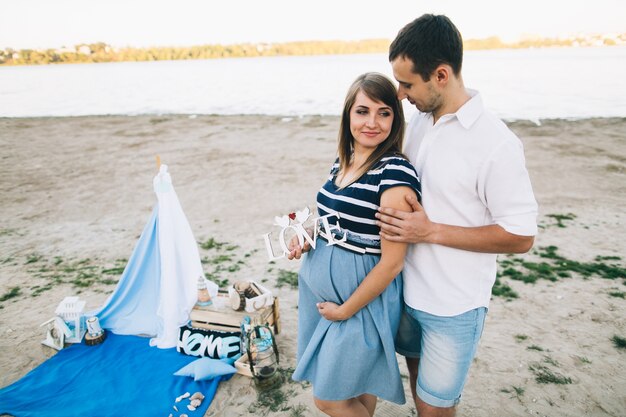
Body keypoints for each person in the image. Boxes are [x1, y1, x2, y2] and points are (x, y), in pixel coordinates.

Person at [375, 14, 539, 417]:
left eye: (408, 83)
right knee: (419, 392)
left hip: (453, 308)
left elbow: (521, 236)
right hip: (404, 293)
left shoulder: (496, 144)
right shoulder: (416, 123)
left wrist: (430, 231)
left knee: (435, 410)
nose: (398, 94)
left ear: (442, 75)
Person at [287, 72, 421, 417]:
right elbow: (337, 218)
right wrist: (307, 235)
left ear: (396, 118)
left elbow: (392, 262)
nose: (372, 123)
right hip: (324, 295)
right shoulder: (344, 160)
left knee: (328, 399)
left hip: (359, 300)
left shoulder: (394, 173)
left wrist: (346, 310)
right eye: (362, 111)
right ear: (348, 115)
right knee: (357, 384)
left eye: (384, 112)